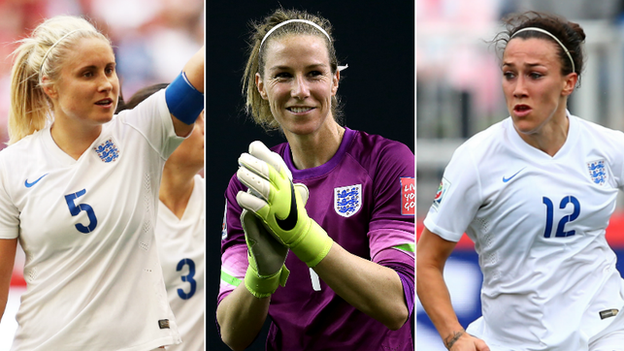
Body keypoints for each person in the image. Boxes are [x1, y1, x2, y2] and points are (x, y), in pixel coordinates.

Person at [417, 11, 624, 351]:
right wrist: (454, 337)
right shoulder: (476, 160)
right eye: (509, 75)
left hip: (604, 328)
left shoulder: (607, 147)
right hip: (513, 342)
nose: (519, 89)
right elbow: (426, 261)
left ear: (568, 83)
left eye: (535, 75)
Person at [216, 8, 415, 351]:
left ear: (335, 80)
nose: (300, 90)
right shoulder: (248, 185)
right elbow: (232, 334)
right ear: (262, 86)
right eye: (283, 75)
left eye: (314, 73)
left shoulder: (387, 161)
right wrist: (261, 277)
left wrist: (301, 234)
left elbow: (397, 304)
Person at [0, 15, 203, 350]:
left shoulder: (140, 132)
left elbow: (200, 71)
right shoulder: (11, 166)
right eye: (88, 73)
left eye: (110, 69)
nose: (107, 83)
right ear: (50, 86)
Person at [117, 84, 205, 351]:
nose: (204, 126)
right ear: (158, 135)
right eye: (194, 118)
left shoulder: (225, 199)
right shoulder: (122, 216)